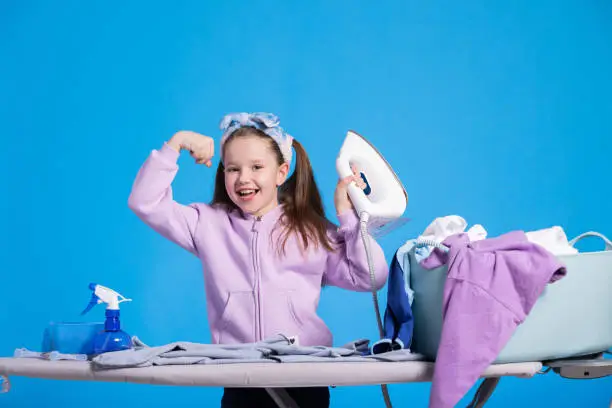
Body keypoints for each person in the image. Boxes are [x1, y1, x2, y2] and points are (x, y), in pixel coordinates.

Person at [127, 112, 389, 408]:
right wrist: (176, 143)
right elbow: (144, 202)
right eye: (232, 169)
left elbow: (371, 276)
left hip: (305, 377)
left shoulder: (310, 229)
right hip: (240, 378)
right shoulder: (206, 223)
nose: (243, 178)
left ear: (281, 172)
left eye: (256, 167)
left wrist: (348, 217)